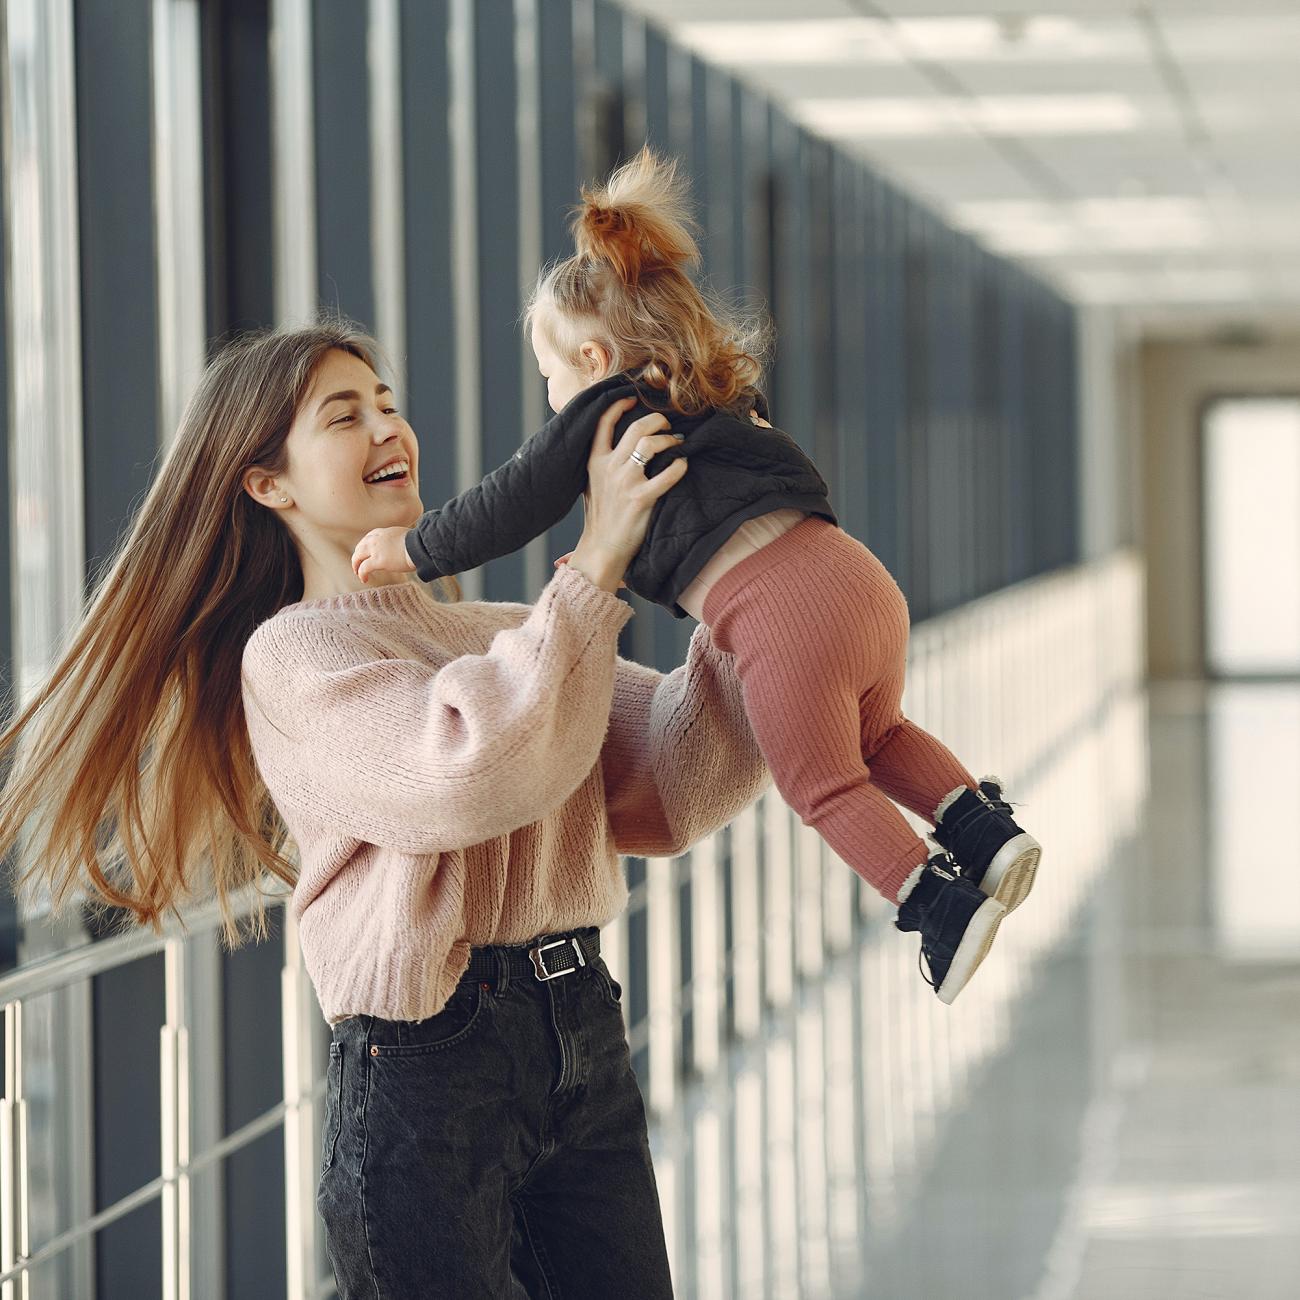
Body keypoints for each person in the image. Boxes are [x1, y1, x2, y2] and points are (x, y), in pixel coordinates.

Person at [0, 322, 771, 1297]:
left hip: (581, 1026)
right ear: (267, 484)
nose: (387, 427)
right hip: (429, 1067)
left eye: (389, 404)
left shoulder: (502, 635)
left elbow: (676, 778)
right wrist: (600, 553)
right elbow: (464, 773)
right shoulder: (293, 657)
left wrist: (751, 583)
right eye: (345, 413)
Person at [353, 147, 1043, 1005]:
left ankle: (939, 910)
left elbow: (512, 499)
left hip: (778, 614)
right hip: (855, 578)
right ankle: (983, 832)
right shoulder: (720, 396)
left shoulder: (606, 407)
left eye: (548, 376)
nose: (549, 398)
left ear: (595, 357)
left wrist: (412, 551)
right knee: (880, 729)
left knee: (821, 782)